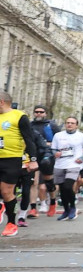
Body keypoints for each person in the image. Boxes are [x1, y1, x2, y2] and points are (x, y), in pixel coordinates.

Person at [0, 92, 38, 236]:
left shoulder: (19, 116)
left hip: (11, 159)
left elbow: (29, 139)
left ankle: (11, 223)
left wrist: (33, 159)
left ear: (1, 102)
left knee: (6, 192)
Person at [51, 116, 83, 222]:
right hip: (60, 164)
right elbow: (53, 149)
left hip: (74, 164)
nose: (69, 124)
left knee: (67, 186)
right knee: (62, 189)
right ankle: (66, 210)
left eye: (72, 123)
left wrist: (82, 158)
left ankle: (73, 207)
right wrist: (55, 153)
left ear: (76, 125)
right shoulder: (58, 135)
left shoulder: (82, 136)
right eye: (67, 123)